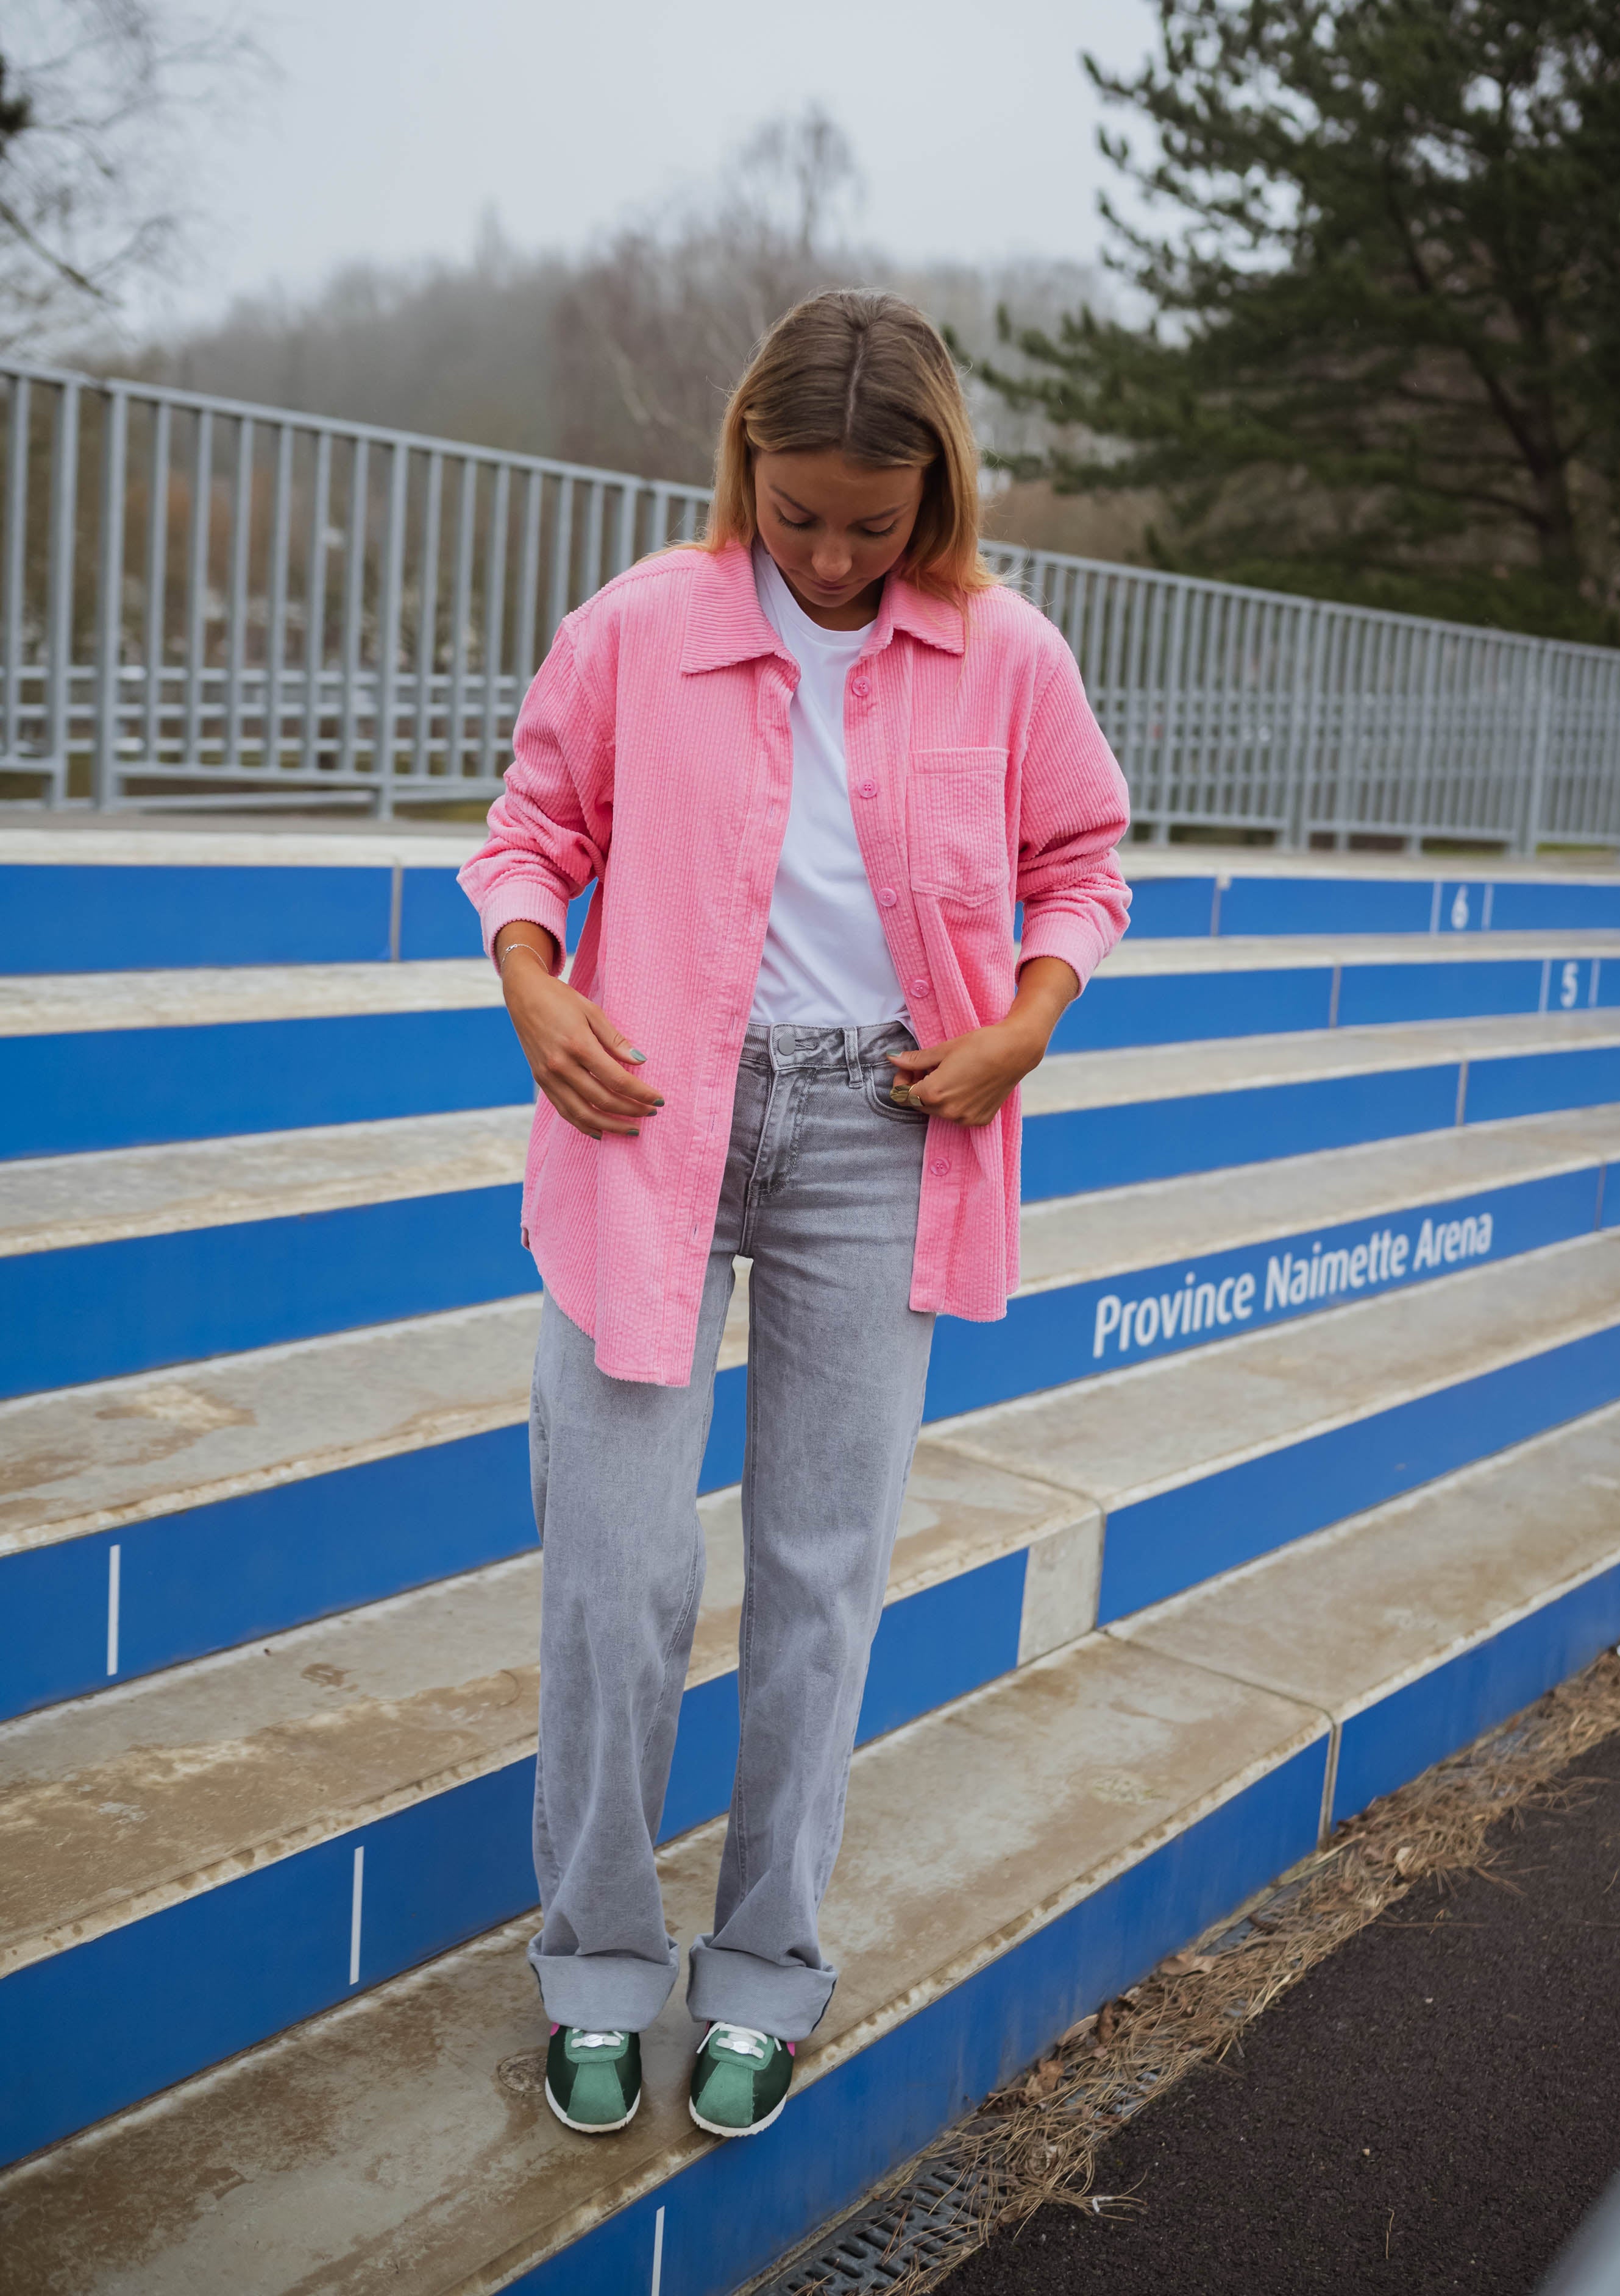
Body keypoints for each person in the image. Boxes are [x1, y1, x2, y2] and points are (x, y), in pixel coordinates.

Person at [457, 288, 1131, 2142]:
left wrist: (1019, 1030)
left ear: (937, 492)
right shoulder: (637, 627)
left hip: (879, 1124)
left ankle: (762, 1965)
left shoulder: (1006, 654)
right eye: (796, 511)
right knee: (613, 1571)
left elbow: (1083, 865)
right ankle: (596, 1953)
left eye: (872, 521)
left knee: (820, 1583)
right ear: (742, 462)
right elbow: (529, 832)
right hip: (646, 1114)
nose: (831, 557)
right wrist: (533, 983)